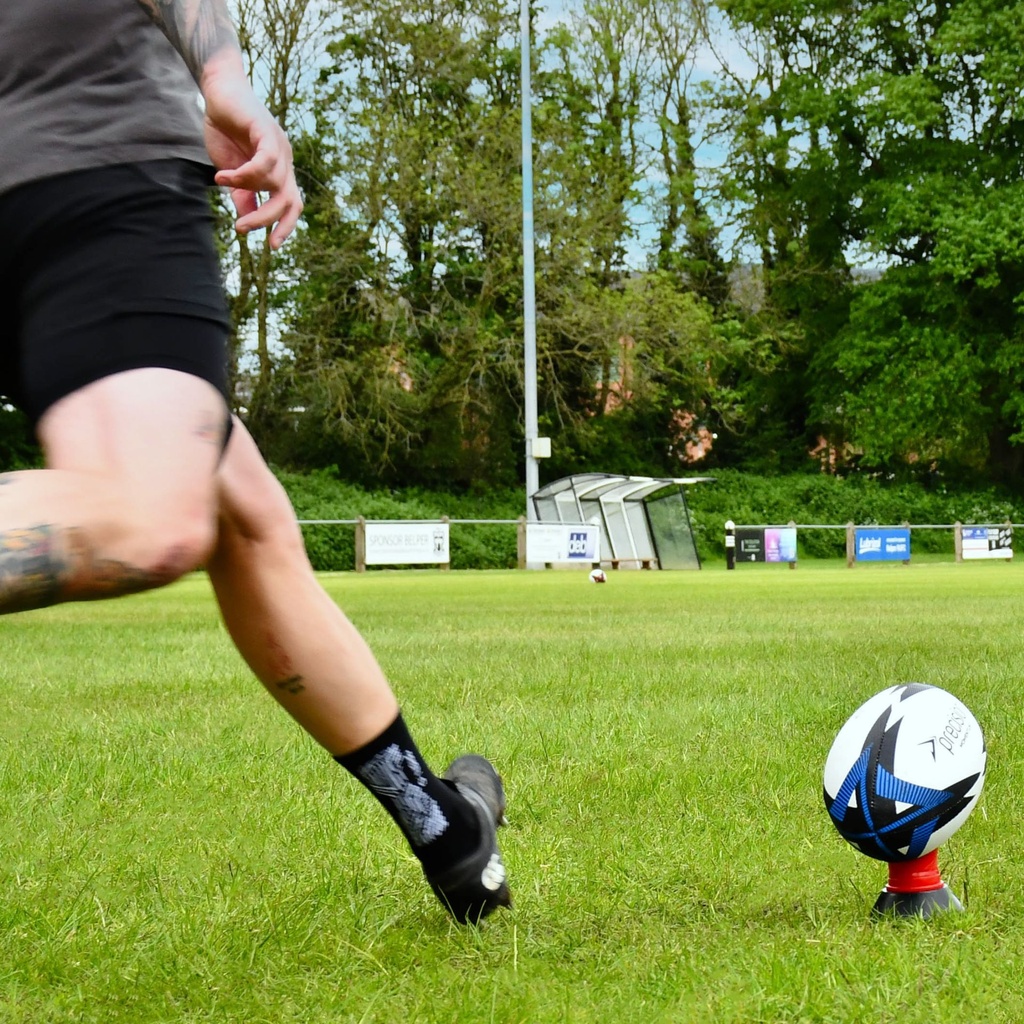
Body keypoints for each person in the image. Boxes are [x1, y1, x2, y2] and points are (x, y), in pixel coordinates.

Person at [0, 0, 510, 925]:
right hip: (84, 161)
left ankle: (446, 829)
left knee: (249, 515)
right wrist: (223, 82)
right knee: (151, 512)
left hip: (50, 150)